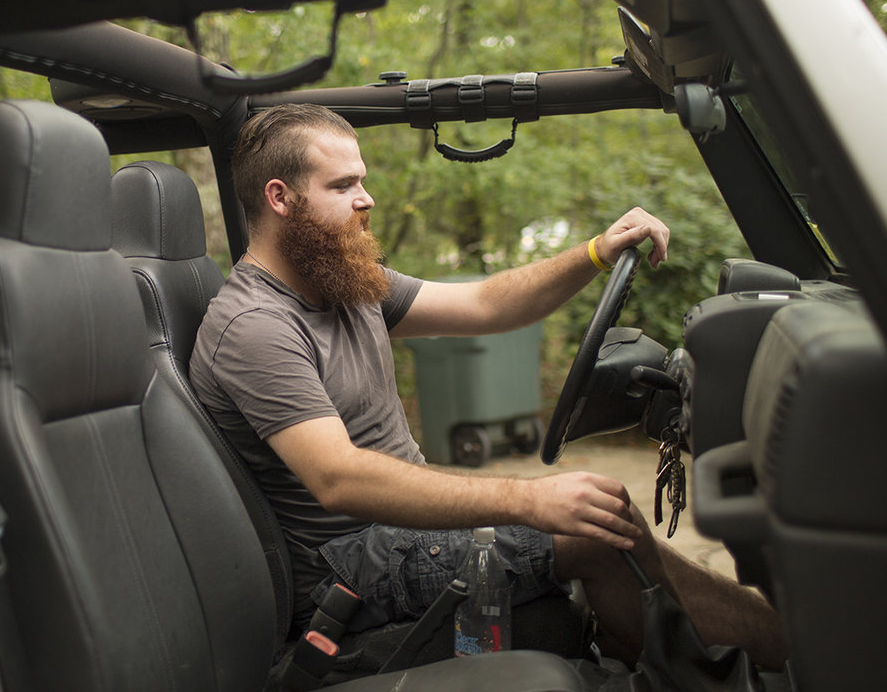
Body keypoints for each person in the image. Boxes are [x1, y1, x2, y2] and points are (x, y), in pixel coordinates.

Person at [188, 103, 786, 667]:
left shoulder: (343, 283)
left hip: (398, 535)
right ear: (280, 198)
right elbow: (338, 478)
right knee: (598, 531)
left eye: (362, 180)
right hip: (347, 569)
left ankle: (761, 645)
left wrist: (595, 253)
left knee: (607, 512)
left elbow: (484, 304)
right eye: (343, 186)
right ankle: (797, 655)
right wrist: (528, 498)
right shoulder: (255, 325)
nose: (366, 199)